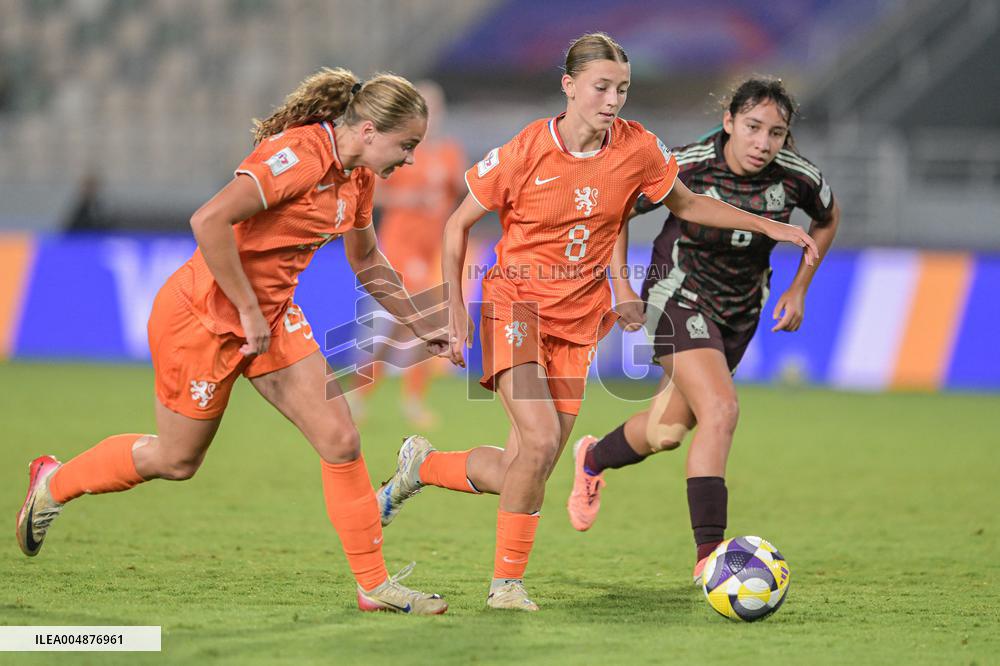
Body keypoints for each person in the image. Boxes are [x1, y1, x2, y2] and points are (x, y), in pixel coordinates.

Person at [374, 36, 819, 611]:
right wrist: (454, 310)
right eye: (601, 88)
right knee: (536, 443)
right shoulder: (527, 149)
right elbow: (458, 225)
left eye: (623, 89)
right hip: (515, 305)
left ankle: (421, 466)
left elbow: (685, 204)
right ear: (570, 86)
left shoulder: (638, 149)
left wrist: (770, 227)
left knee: (524, 466)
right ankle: (505, 585)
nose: (613, 100)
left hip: (578, 321)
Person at [15, 68, 451, 615]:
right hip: (203, 317)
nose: (410, 158)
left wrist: (418, 320)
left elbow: (365, 258)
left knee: (341, 439)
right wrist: (246, 307)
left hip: (271, 320)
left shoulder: (359, 178)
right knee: (176, 461)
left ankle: (373, 585)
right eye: (406, 144)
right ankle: (55, 482)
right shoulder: (299, 155)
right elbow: (209, 220)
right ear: (366, 130)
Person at [566, 77, 841, 584]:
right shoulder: (687, 165)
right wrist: (621, 286)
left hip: (739, 313)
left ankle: (592, 458)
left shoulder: (797, 178)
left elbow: (827, 216)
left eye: (776, 133)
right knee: (722, 409)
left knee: (665, 433)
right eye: (753, 127)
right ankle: (711, 560)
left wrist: (800, 286)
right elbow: (617, 209)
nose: (763, 143)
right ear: (729, 122)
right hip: (676, 296)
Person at [350, 81, 467, 427]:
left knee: (426, 323)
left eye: (435, 108)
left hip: (432, 249)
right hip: (400, 246)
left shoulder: (449, 153)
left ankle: (405, 397)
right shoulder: (399, 149)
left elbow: (462, 191)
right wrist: (411, 201)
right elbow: (375, 195)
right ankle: (366, 393)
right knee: (408, 320)